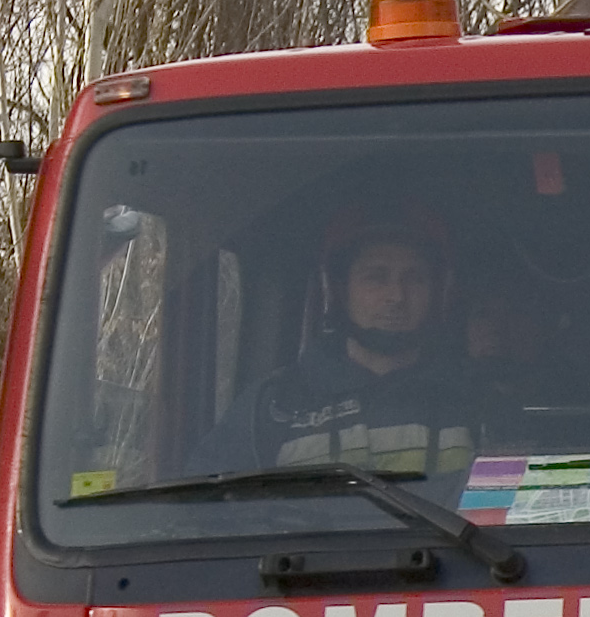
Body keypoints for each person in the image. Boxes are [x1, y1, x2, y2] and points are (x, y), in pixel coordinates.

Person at [188, 203, 476, 485]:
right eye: (376, 277)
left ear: (438, 293)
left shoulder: (477, 403)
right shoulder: (272, 409)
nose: (396, 296)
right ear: (338, 289)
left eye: (414, 278)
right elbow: (201, 514)